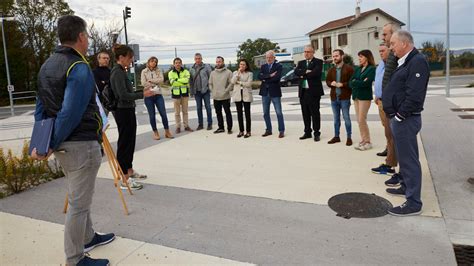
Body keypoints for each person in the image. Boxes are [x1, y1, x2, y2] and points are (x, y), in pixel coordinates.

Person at [32, 15, 114, 265]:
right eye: (87, 36)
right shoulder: (77, 66)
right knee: (78, 204)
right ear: (80, 37)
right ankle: (75, 258)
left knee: (79, 194)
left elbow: (41, 106)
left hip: (66, 146)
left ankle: (88, 236)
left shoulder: (47, 65)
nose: (88, 40)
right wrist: (52, 142)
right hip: (80, 144)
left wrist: (42, 142)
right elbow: (70, 112)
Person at [383, 30, 429, 216]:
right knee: (405, 158)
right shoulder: (406, 61)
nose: (391, 47)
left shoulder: (417, 62)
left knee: (409, 161)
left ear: (404, 43)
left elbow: (415, 95)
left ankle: (413, 202)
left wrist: (400, 116)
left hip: (406, 119)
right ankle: (406, 187)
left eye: (393, 44)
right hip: (401, 119)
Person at [110, 44, 153, 190]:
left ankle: (129, 170)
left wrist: (141, 90)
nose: (131, 61)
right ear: (121, 57)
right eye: (129, 58)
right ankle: (124, 178)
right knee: (125, 143)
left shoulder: (122, 71)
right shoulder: (117, 72)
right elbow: (122, 95)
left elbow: (127, 91)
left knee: (130, 141)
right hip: (122, 111)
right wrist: (142, 94)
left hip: (127, 109)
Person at [379, 22, 403, 186]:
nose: (383, 37)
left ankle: (402, 175)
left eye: (385, 34)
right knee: (392, 137)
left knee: (400, 142)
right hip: (389, 105)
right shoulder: (392, 57)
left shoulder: (400, 58)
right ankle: (396, 170)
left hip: (397, 108)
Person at [370, 43, 397, 176]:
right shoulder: (381, 65)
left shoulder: (393, 65)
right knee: (387, 131)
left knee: (391, 133)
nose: (381, 53)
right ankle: (389, 151)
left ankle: (390, 164)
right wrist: (377, 95)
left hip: (389, 103)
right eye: (379, 51)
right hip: (380, 101)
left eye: (383, 51)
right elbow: (378, 80)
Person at [294, 45, 324, 142]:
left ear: (313, 52)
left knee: (315, 113)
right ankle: (307, 132)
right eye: (305, 51)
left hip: (314, 92)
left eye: (308, 52)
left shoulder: (318, 62)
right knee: (305, 113)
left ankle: (316, 133)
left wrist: (303, 75)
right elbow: (296, 72)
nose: (306, 53)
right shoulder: (301, 62)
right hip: (303, 92)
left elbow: (316, 73)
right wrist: (306, 72)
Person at [325, 49, 354, 146]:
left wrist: (343, 84)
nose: (335, 58)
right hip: (334, 98)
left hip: (345, 98)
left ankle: (349, 137)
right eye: (333, 56)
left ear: (342, 56)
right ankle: (336, 136)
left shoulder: (349, 69)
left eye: (336, 56)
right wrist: (331, 83)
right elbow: (327, 81)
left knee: (346, 118)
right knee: (336, 119)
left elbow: (352, 82)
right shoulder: (331, 69)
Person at [141, 56, 173, 140]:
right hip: (148, 96)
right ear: (148, 62)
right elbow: (144, 83)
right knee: (152, 115)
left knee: (163, 113)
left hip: (158, 94)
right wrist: (155, 81)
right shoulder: (144, 71)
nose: (154, 63)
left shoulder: (158, 71)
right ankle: (155, 132)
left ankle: (167, 131)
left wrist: (151, 81)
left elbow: (161, 80)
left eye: (155, 62)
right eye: (152, 61)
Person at [349, 50, 376, 151]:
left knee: (361, 119)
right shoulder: (357, 69)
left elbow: (366, 83)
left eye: (361, 56)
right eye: (359, 57)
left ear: (367, 57)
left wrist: (356, 81)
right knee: (358, 120)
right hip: (356, 97)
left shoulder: (372, 69)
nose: (359, 59)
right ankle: (363, 140)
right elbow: (350, 83)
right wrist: (357, 81)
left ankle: (368, 142)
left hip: (364, 97)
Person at [258, 50, 285, 138]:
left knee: (279, 112)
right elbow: (259, 76)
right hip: (265, 92)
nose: (269, 59)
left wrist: (265, 78)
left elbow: (277, 78)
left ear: (274, 57)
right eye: (267, 57)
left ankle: (281, 130)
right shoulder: (263, 66)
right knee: (265, 113)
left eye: (270, 57)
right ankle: (268, 130)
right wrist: (269, 76)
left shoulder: (279, 66)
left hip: (275, 92)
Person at [209, 56, 233, 134]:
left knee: (227, 112)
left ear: (223, 62)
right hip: (216, 97)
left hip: (225, 96)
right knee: (218, 113)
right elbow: (210, 83)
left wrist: (226, 90)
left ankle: (229, 128)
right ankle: (221, 127)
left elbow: (231, 83)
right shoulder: (212, 73)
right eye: (217, 62)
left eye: (219, 61)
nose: (218, 63)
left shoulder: (228, 72)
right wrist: (213, 91)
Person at [169, 57, 193, 133]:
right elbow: (172, 82)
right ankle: (178, 127)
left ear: (181, 63)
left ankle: (186, 126)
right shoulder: (171, 73)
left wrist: (176, 80)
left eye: (179, 63)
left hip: (184, 94)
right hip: (175, 95)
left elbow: (186, 81)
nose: (178, 64)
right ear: (174, 64)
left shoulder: (186, 71)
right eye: (176, 63)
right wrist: (181, 81)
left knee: (185, 112)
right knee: (177, 113)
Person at [190, 53, 213, 130]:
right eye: (196, 59)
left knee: (208, 107)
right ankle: (200, 124)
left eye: (199, 58)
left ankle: (210, 123)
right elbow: (191, 81)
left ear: (201, 59)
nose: (198, 60)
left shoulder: (206, 67)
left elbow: (211, 77)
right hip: (197, 92)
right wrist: (191, 91)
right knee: (199, 108)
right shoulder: (192, 69)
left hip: (205, 91)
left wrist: (209, 88)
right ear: (194, 59)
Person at [231, 59, 253, 138]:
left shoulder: (249, 74)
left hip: (246, 95)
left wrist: (240, 82)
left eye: (243, 64)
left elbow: (249, 84)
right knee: (239, 114)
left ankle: (248, 131)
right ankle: (241, 131)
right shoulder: (235, 73)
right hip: (238, 95)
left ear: (246, 66)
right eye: (240, 64)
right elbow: (233, 82)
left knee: (247, 114)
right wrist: (238, 74)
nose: (242, 66)